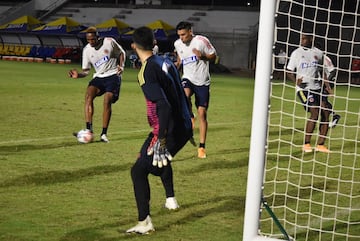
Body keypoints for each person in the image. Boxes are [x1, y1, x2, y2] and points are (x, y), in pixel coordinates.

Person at [126, 26, 193, 234]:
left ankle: (144, 222)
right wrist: (187, 120)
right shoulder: (166, 61)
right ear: (154, 42)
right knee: (146, 157)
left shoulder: (146, 71)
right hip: (178, 125)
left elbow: (163, 105)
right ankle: (170, 199)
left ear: (133, 46)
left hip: (169, 128)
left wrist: (161, 139)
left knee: (140, 170)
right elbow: (181, 93)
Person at [69, 27, 126, 143]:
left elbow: (121, 53)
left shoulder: (109, 42)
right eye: (88, 40)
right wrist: (78, 75)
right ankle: (89, 130)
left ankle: (104, 134)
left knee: (107, 100)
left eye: (93, 39)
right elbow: (86, 71)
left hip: (113, 75)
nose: (91, 42)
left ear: (97, 37)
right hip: (99, 77)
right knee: (88, 96)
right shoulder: (86, 50)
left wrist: (121, 66)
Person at [174, 21, 217, 158]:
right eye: (179, 35)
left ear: (190, 31)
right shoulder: (177, 44)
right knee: (183, 96)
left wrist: (202, 56)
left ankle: (202, 147)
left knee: (202, 114)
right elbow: (180, 59)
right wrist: (177, 65)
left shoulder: (201, 41)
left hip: (202, 82)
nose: (182, 38)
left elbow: (214, 57)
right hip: (188, 78)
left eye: (184, 34)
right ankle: (190, 116)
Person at [287, 33, 332, 153]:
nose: (301, 40)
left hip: (317, 88)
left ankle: (321, 145)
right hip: (303, 89)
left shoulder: (318, 53)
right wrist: (296, 82)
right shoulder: (296, 53)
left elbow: (323, 72)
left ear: (311, 39)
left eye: (304, 38)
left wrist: (327, 86)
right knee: (315, 112)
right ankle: (306, 144)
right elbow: (289, 71)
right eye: (301, 38)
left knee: (326, 113)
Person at [322, 54, 341, 128]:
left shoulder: (325, 58)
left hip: (328, 82)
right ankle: (334, 116)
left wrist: (327, 84)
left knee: (322, 100)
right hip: (323, 82)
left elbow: (333, 71)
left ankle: (334, 116)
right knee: (322, 100)